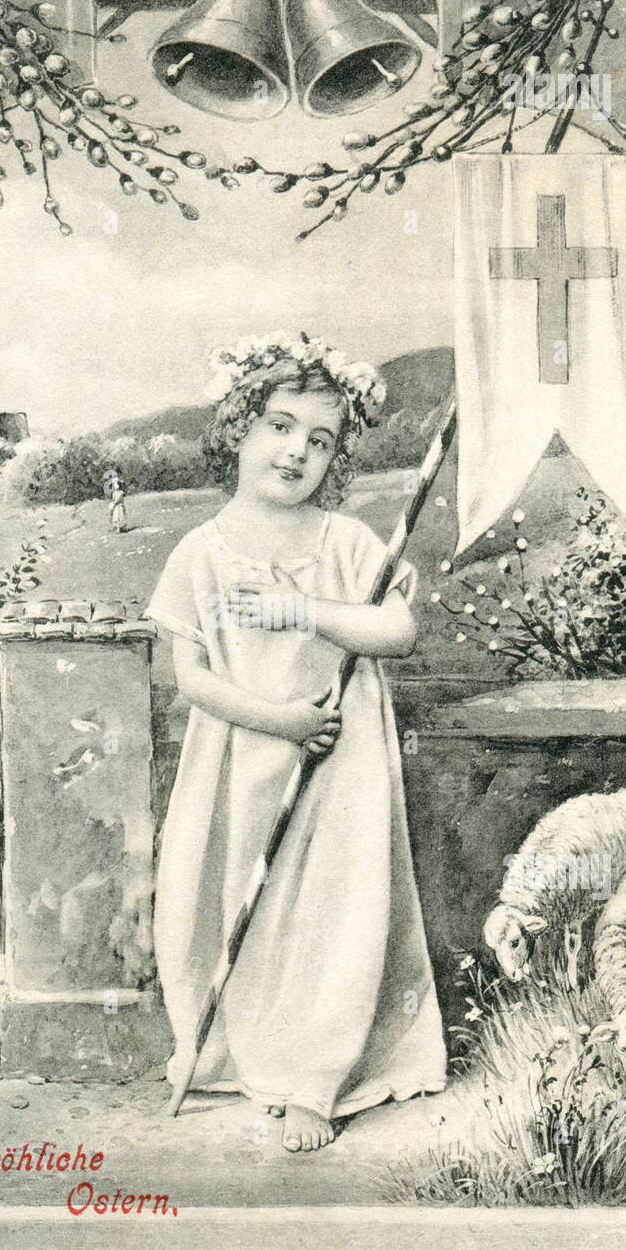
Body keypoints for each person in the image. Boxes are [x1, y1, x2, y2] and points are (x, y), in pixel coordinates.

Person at [144, 334, 446, 1153]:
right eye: (279, 427)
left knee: (330, 912)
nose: (296, 452)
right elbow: (193, 679)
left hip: (342, 766)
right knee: (236, 900)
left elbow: (397, 631)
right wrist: (280, 721)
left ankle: (317, 1076)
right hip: (242, 760)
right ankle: (224, 1049)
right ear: (239, 428)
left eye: (320, 440)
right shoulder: (199, 553)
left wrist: (306, 613)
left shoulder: (347, 543)